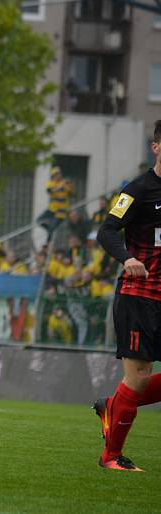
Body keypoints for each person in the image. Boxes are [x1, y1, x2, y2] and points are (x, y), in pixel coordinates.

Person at [92, 119, 161, 472]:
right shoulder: (136, 191)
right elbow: (106, 230)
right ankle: (110, 456)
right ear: (156, 147)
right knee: (138, 376)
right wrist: (128, 258)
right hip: (140, 296)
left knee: (138, 382)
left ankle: (113, 405)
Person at [37, 166, 73, 238]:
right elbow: (50, 190)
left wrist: (70, 184)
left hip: (61, 212)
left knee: (52, 227)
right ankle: (49, 230)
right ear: (52, 176)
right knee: (39, 220)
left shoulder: (65, 184)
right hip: (52, 209)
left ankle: (48, 240)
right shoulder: (50, 183)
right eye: (55, 175)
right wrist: (61, 185)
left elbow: (71, 194)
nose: (57, 176)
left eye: (58, 174)